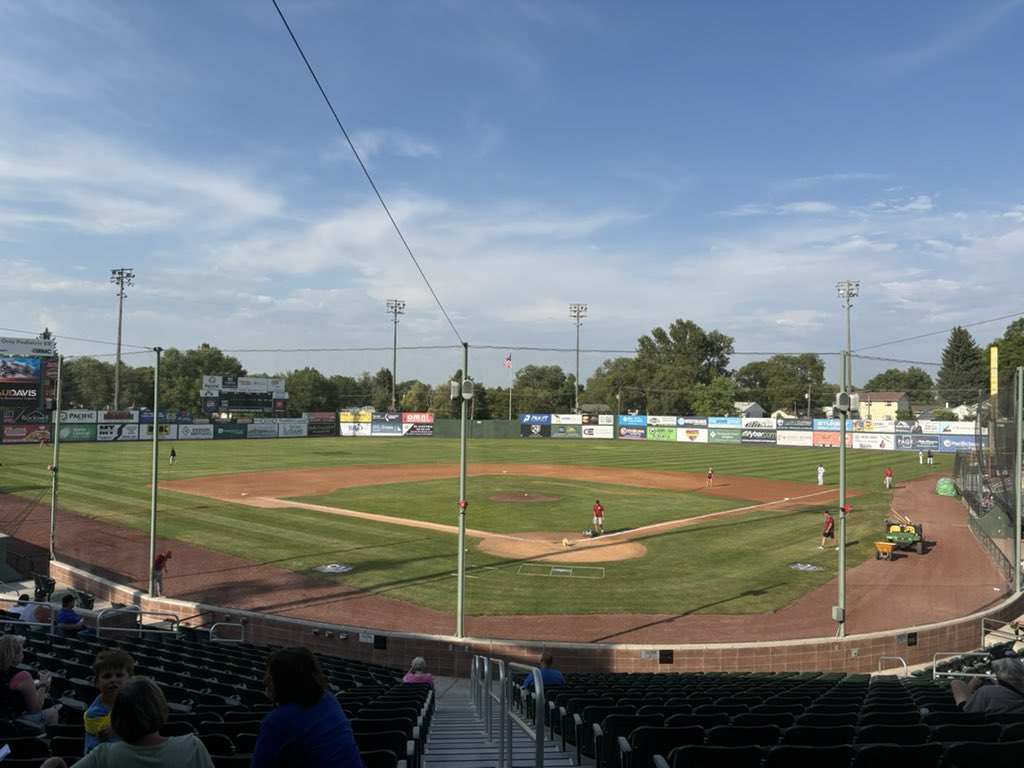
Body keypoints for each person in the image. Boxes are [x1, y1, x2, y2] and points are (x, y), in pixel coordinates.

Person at [39, 676, 214, 768]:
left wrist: (54, 762)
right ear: (160, 709)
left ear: (117, 716)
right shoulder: (192, 746)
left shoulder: (103, 756)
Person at [250, 646, 363, 768]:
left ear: (285, 682)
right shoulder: (329, 699)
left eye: (272, 677)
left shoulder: (276, 722)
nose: (265, 681)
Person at [0, 634, 60, 727]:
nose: (23, 652)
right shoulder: (22, 676)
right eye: (21, 650)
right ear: (15, 657)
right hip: (12, 724)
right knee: (53, 713)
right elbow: (35, 709)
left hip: (3, 720)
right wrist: (43, 684)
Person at [84, 649, 136, 754]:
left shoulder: (135, 702)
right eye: (107, 676)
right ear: (97, 682)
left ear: (130, 678)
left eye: (119, 675)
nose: (113, 680)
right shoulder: (94, 714)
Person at [951, 657, 1024, 715]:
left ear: (998, 668)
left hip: (993, 731)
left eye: (991, 666)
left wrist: (970, 687)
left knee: (956, 683)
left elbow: (967, 712)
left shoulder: (985, 692)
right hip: (1017, 730)